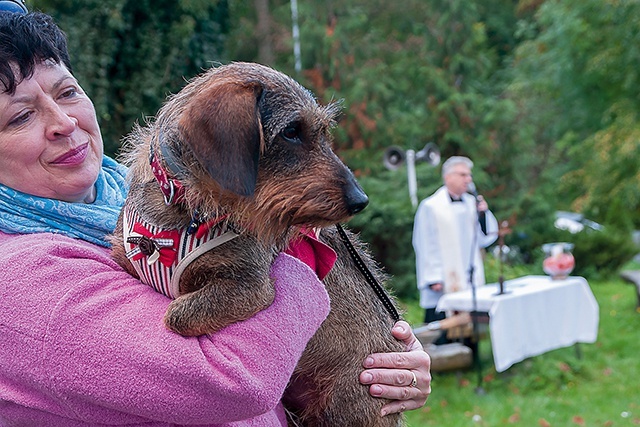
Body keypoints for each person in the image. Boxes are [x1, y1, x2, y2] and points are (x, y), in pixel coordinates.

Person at [0, 9, 431, 426]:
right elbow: (234, 381)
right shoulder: (22, 281)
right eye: (20, 116)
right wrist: (299, 262)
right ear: (222, 146)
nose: (63, 122)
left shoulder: (124, 207)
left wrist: (385, 367)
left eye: (67, 92)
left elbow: (284, 371)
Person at [412, 156, 498, 345]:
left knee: (469, 315)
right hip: (443, 276)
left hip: (468, 272)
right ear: (448, 177)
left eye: (469, 175)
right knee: (441, 320)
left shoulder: (471, 203)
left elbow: (487, 237)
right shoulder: (431, 206)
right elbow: (424, 243)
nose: (468, 179)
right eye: (463, 174)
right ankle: (439, 359)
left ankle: (469, 353)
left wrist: (483, 213)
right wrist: (433, 277)